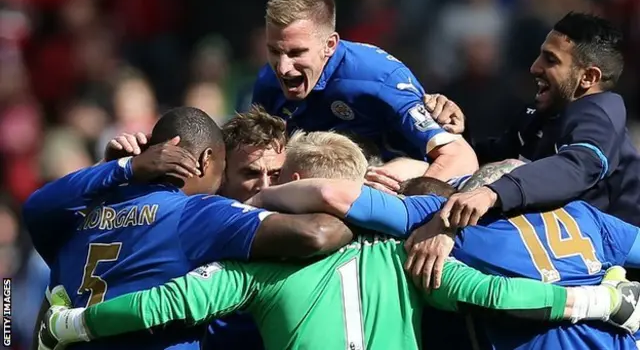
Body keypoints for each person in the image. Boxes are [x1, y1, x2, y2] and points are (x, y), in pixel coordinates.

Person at [37, 132, 640, 350]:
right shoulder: (413, 258)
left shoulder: (259, 268)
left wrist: (75, 325)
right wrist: (600, 302)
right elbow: (493, 296)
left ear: (299, 185)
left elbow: (169, 303)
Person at [23, 107, 354, 350]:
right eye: (230, 170)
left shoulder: (83, 213)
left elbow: (36, 208)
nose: (262, 187)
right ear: (207, 160)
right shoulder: (198, 215)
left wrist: (118, 170)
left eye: (275, 176)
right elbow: (317, 234)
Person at [252, 156, 640, 349]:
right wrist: (613, 283)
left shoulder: (456, 216)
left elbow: (329, 194)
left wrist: (258, 198)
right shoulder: (587, 216)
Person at [422, 12, 640, 230]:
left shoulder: (600, 115)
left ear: (588, 77)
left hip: (616, 258)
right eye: (540, 56)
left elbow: (576, 167)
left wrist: (494, 193)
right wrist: (455, 134)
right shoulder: (541, 115)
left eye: (551, 59)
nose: (535, 67)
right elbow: (487, 160)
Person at [251, 0, 478, 182]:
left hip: (393, 187)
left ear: (329, 45)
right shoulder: (268, 82)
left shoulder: (379, 78)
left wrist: (412, 209)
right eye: (274, 51)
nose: (282, 68)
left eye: (296, 53)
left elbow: (460, 156)